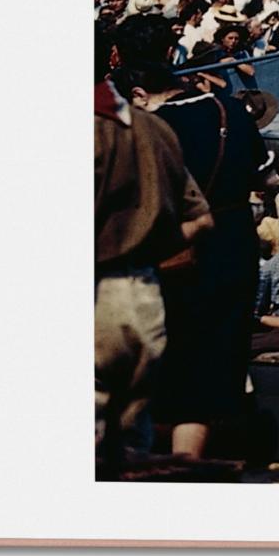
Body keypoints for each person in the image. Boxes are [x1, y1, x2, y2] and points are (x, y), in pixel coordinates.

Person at [95, 29, 212, 478]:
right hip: (142, 292)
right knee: (129, 448)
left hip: (95, 292)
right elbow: (201, 220)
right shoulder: (153, 127)